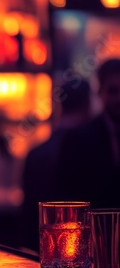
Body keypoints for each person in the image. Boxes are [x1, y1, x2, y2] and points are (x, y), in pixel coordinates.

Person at [20, 78, 91, 251]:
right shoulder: (91, 150)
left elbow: (28, 214)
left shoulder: (36, 153)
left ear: (59, 105)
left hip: (41, 252)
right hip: (77, 251)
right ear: (87, 105)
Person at [55, 59, 120, 209]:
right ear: (99, 92)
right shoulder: (78, 139)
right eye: (113, 91)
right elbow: (66, 197)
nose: (119, 98)